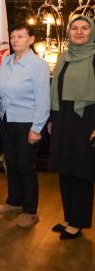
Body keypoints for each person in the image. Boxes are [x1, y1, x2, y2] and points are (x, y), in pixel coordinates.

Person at [0, 24, 50, 227]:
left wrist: (37, 128)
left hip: (28, 123)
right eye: (12, 36)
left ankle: (30, 210)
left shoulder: (38, 65)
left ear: (31, 40)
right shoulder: (6, 61)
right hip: (7, 120)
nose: (15, 40)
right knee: (12, 163)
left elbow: (43, 99)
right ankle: (14, 201)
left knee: (25, 166)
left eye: (20, 36)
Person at [49, 15, 95, 240]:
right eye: (75, 28)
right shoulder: (64, 57)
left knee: (82, 172)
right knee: (65, 169)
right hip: (63, 118)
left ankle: (78, 222)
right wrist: (52, 119)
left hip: (87, 120)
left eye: (84, 28)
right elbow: (55, 90)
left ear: (92, 32)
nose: (79, 32)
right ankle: (69, 217)